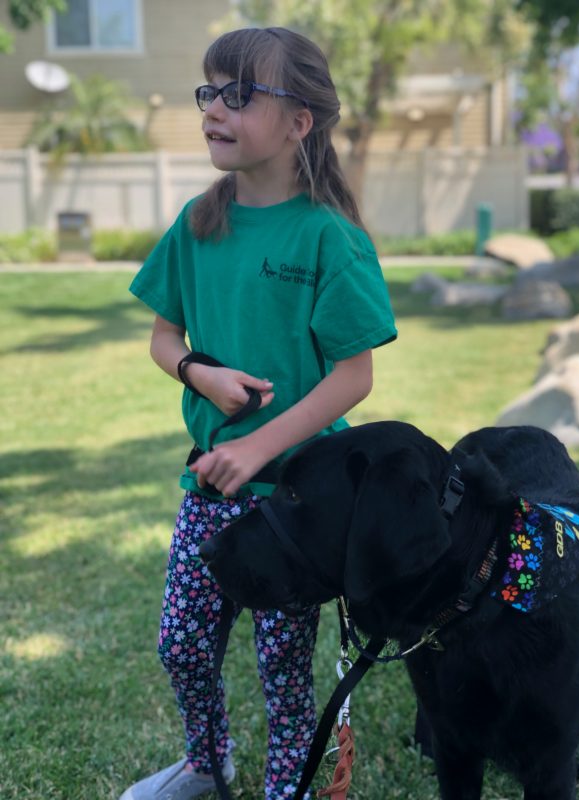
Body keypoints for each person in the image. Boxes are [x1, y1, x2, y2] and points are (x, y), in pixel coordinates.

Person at [120, 26, 397, 800]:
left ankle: (289, 786)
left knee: (282, 664)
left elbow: (354, 377)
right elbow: (163, 336)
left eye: (240, 95)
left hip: (296, 504)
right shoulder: (197, 222)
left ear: (299, 121)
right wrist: (197, 374)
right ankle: (208, 766)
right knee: (181, 645)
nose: (214, 108)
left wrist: (258, 449)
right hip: (210, 487)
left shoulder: (329, 238)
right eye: (209, 91)